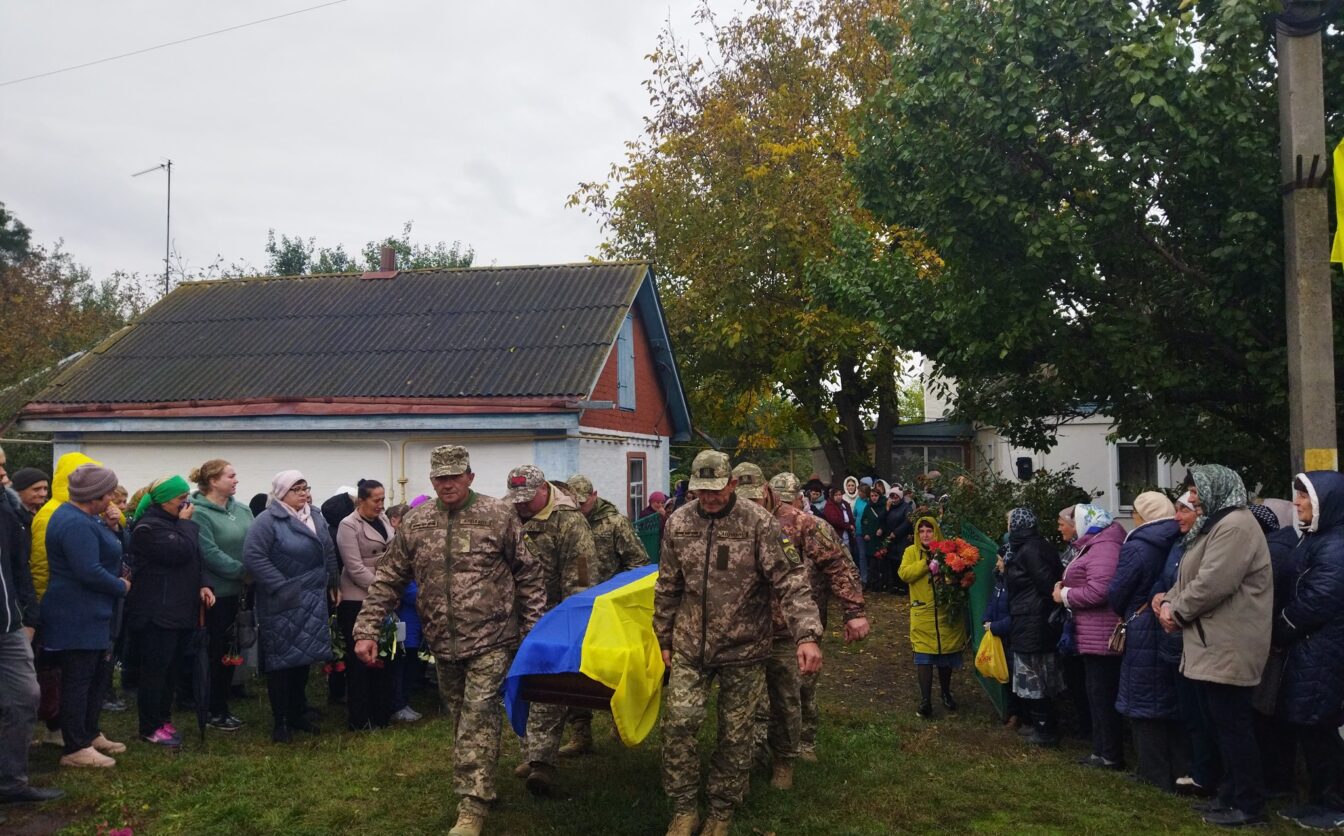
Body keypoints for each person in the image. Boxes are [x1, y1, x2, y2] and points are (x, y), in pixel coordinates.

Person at [353, 445, 545, 836]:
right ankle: (482, 782)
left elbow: (528, 574)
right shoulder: (417, 522)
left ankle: (472, 806)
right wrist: (367, 629)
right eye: (441, 477)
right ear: (432, 480)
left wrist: (532, 630)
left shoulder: (498, 515)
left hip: (493, 638)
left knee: (477, 715)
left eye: (455, 476)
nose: (448, 484)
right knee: (461, 718)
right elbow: (389, 577)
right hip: (442, 642)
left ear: (470, 477)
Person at [655, 450, 822, 836]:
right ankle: (683, 809)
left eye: (716, 490)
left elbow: (792, 581)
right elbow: (667, 585)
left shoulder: (759, 523)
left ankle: (721, 810)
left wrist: (807, 635)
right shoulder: (679, 522)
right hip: (690, 647)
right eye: (702, 491)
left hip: (744, 648)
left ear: (731, 483)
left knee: (735, 734)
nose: (709, 498)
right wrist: (663, 635)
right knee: (678, 725)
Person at [1154, 465, 1272, 828]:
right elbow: (1189, 576)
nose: (1193, 498)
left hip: (1230, 643)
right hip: (1212, 642)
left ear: (1217, 488)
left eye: (1196, 490)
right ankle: (1230, 794)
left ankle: (1250, 805)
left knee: (1233, 726)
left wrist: (1176, 611)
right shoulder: (1216, 525)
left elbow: (1213, 582)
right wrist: (1168, 600)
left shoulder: (1235, 526)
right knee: (1221, 725)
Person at [752, 468, 867, 781]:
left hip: (801, 623)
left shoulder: (808, 524)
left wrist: (852, 610)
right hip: (756, 626)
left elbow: (840, 565)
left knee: (801, 688)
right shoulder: (748, 522)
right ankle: (761, 752)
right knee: (761, 695)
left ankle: (803, 742)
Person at [506, 465, 594, 797]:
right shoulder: (506, 514)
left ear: (544, 489)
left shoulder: (569, 522)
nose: (521, 504)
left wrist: (571, 625)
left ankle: (542, 762)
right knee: (519, 685)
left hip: (552, 618)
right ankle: (529, 753)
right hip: (511, 618)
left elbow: (581, 577)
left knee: (546, 688)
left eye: (528, 498)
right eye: (516, 498)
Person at [39, 463, 128, 767]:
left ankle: (89, 732)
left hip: (92, 611)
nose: (112, 498)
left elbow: (109, 550)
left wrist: (113, 527)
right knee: (78, 680)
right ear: (95, 495)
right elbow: (88, 571)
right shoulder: (75, 523)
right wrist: (120, 586)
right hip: (76, 612)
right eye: (109, 493)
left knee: (94, 677)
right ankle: (75, 747)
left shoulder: (88, 519)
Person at [243, 471, 340, 744]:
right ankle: (281, 720)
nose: (303, 493)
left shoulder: (315, 515)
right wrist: (281, 585)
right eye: (296, 489)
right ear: (281, 493)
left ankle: (298, 711)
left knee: (304, 658)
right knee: (281, 661)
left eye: (305, 487)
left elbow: (328, 550)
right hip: (283, 599)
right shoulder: (268, 521)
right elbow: (253, 556)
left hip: (314, 597)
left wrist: (334, 580)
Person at [1271, 472, 1344, 829]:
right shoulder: (1317, 539)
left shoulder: (1336, 545)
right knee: (1309, 725)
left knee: (1319, 727)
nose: (1296, 502)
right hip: (1309, 650)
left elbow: (1318, 600)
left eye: (1304, 497)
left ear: (1323, 503)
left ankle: (1334, 805)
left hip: (1323, 651)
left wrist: (1280, 629)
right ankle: (1317, 800)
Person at [558, 473, 648, 756]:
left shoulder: (615, 524)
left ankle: (620, 721)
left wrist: (615, 591)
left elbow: (639, 564)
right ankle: (580, 731)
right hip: (575, 608)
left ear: (594, 496)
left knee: (613, 669)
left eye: (583, 503)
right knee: (575, 670)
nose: (579, 509)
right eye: (573, 504)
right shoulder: (565, 524)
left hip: (610, 610)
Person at [126, 475, 215, 748]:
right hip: (157, 613)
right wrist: (187, 525)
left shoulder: (175, 524)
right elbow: (180, 552)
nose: (186, 504)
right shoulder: (148, 528)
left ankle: (163, 718)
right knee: (155, 672)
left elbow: (195, 558)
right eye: (181, 499)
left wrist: (203, 584)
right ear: (164, 500)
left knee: (171, 671)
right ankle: (149, 726)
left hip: (179, 610)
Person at [1107, 492, 1185, 789]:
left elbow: (1118, 591)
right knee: (1169, 697)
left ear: (1144, 515)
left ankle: (1152, 772)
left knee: (1142, 699)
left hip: (1141, 625)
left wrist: (1125, 609)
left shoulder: (1138, 546)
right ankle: (1180, 769)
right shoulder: (1179, 540)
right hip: (1172, 623)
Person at [0, 464, 61, 804]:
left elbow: (19, 569)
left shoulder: (9, 514)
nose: (4, 474)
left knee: (25, 697)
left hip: (9, 625)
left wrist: (29, 617)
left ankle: (12, 782)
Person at [1053, 503, 1126, 770]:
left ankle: (1109, 754)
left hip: (1101, 634)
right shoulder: (1094, 544)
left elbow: (1100, 591)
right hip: (1092, 632)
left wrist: (1065, 595)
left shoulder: (1104, 548)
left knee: (1102, 694)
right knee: (1095, 693)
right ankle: (1101, 750)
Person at [189, 459, 253, 732]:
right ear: (213, 481)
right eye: (231, 475)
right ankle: (214, 708)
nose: (236, 480)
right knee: (216, 652)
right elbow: (208, 552)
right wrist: (241, 571)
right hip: (217, 594)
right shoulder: (199, 513)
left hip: (242, 592)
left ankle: (225, 700)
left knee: (233, 650)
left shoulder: (243, 509)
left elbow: (254, 541)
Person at [336, 479, 395, 732]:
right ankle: (359, 718)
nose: (381, 505)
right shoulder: (348, 525)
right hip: (358, 597)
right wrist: (383, 590)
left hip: (385, 593)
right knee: (360, 661)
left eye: (383, 499)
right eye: (376, 500)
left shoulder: (383, 519)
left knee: (383, 655)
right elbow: (354, 567)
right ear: (361, 500)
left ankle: (381, 712)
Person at [1003, 508, 1064, 746]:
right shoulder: (1031, 546)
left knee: (1035, 675)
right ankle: (1041, 725)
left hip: (1033, 619)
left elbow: (1047, 585)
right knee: (1036, 674)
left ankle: (1045, 731)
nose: (1008, 527)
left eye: (1010, 523)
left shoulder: (1030, 550)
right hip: (1030, 617)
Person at [899, 516, 968, 718]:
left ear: (935, 532)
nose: (925, 535)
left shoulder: (948, 552)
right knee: (924, 656)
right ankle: (925, 700)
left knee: (946, 655)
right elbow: (904, 574)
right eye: (921, 531)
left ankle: (946, 693)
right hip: (923, 613)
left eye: (929, 531)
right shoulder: (911, 552)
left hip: (946, 612)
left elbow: (960, 576)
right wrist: (925, 564)